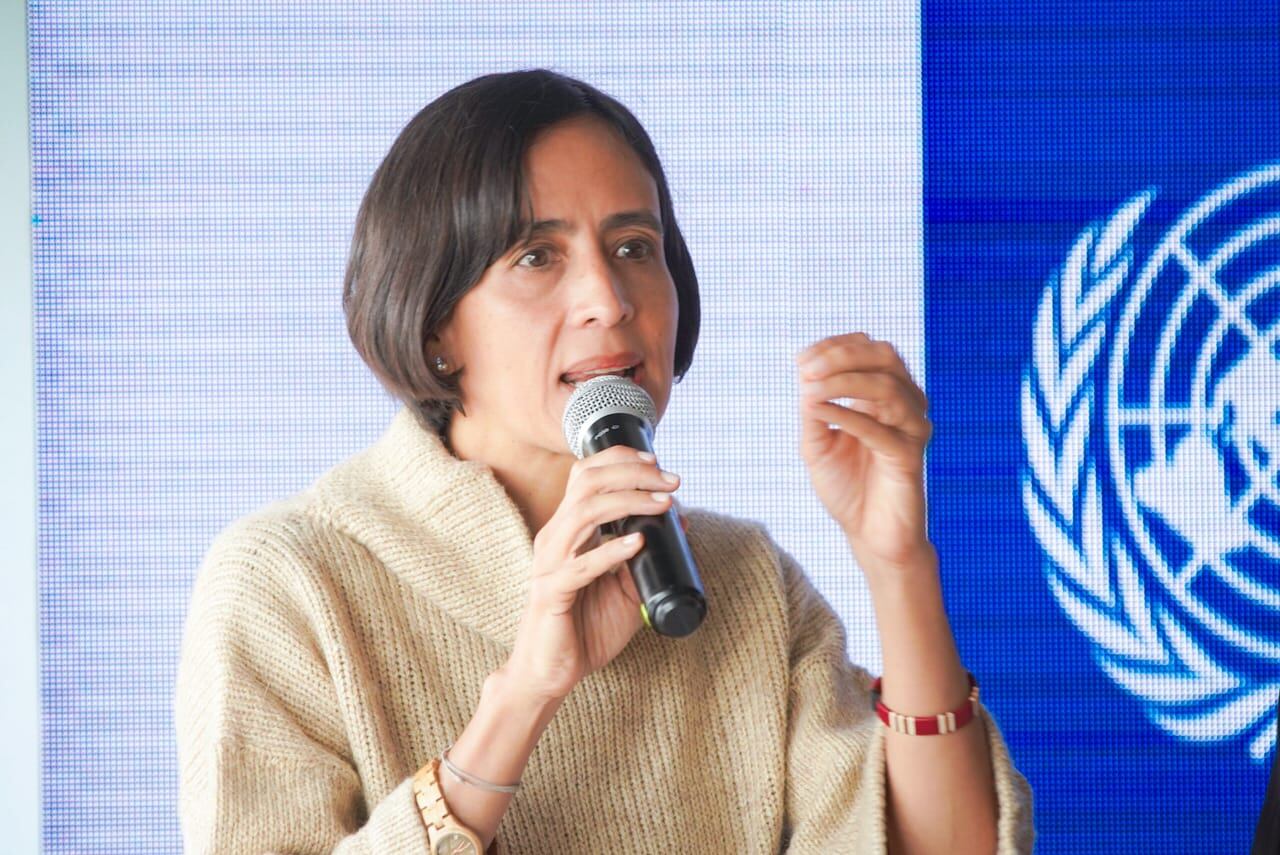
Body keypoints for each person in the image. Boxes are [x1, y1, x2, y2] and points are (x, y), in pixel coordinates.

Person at [174, 69, 1035, 854]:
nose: (609, 300)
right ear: (435, 324)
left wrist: (896, 563)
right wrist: (527, 692)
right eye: (537, 256)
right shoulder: (289, 579)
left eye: (633, 247)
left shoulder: (744, 580)